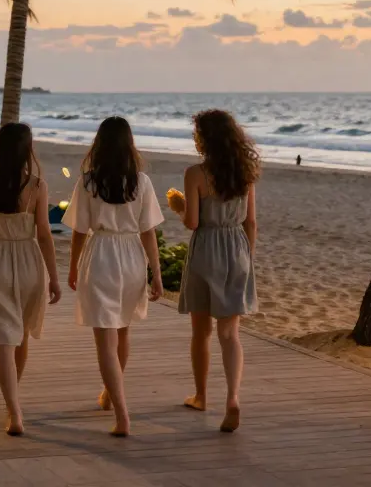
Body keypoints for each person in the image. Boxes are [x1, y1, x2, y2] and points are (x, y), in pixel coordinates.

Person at [65, 117, 164, 437]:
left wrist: (73, 266)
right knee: (122, 332)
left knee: (105, 339)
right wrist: (156, 274)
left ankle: (122, 414)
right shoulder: (142, 182)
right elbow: (149, 233)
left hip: (102, 255)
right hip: (132, 256)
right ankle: (111, 393)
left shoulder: (88, 182)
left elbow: (79, 231)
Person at [0, 123, 61, 436]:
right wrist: (54, 278)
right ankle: (13, 402)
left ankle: (13, 408)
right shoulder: (36, 186)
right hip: (29, 261)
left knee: (3, 339)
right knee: (19, 336)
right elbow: (45, 235)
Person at [167, 109, 259, 433]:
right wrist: (247, 258)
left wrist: (179, 206)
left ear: (204, 139)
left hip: (206, 248)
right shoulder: (244, 173)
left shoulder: (195, 174)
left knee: (201, 332)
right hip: (237, 248)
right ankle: (232, 397)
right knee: (229, 334)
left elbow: (193, 222)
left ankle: (202, 395)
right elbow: (251, 222)